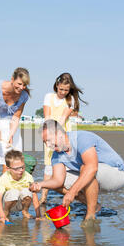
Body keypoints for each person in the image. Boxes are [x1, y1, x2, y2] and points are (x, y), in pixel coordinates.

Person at [30, 120, 124, 228]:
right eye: (45, 142)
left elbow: (92, 168)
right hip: (91, 174)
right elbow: (57, 181)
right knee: (58, 184)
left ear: (60, 134)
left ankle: (90, 217)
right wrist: (40, 184)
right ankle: (94, 206)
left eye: (49, 140)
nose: (48, 145)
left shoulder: (81, 138)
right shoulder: (56, 155)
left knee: (85, 169)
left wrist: (71, 193)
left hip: (115, 174)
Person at [0, 68, 31, 200]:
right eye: (19, 84)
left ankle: (2, 192)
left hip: (9, 123)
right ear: (12, 79)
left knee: (8, 158)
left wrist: (11, 134)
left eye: (24, 85)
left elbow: (16, 117)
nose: (21, 87)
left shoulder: (24, 96)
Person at [40, 73, 87, 204]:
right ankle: (43, 197)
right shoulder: (49, 97)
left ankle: (72, 193)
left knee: (66, 164)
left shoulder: (70, 99)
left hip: (64, 134)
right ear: (57, 85)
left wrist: (57, 135)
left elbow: (62, 120)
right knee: (49, 164)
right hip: (50, 132)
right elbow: (48, 117)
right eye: (61, 89)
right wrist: (50, 135)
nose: (63, 92)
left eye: (66, 90)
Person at [0, 150, 41, 224]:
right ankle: (6, 213)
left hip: (22, 203)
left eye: (22, 167)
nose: (21, 170)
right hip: (8, 203)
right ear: (8, 168)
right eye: (17, 168)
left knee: (27, 191)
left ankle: (25, 211)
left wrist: (38, 215)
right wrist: (2, 215)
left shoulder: (28, 176)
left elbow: (34, 197)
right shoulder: (4, 178)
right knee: (14, 192)